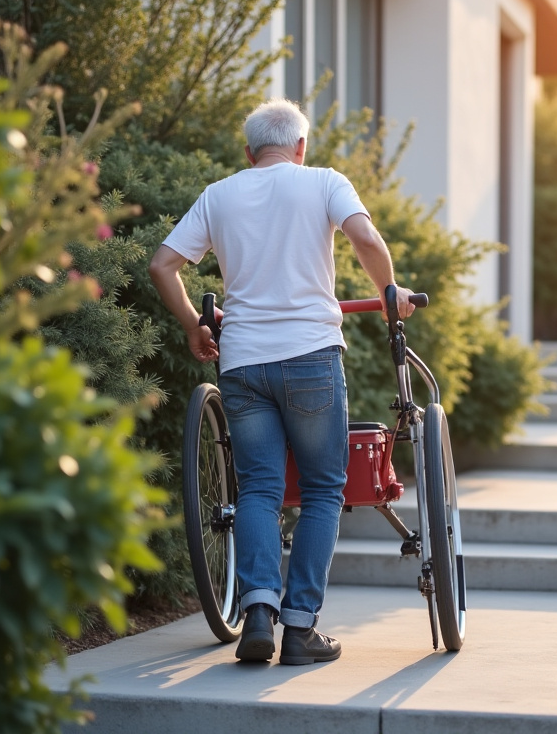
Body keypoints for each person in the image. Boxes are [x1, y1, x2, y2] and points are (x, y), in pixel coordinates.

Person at [148, 98, 415, 665]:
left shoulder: (220, 194)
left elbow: (161, 265)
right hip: (311, 356)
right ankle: (299, 628)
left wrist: (196, 326)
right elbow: (366, 240)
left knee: (260, 490)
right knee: (322, 490)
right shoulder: (322, 182)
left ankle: (258, 620)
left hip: (242, 363)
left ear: (248, 152)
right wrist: (390, 293)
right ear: (301, 147)